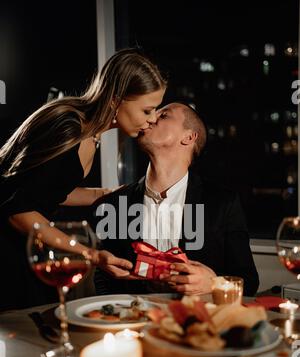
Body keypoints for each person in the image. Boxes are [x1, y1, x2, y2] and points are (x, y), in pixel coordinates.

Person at [0, 48, 166, 309]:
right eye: (147, 110)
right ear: (116, 99)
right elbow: (20, 210)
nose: (153, 119)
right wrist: (90, 254)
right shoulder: (68, 128)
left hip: (24, 248)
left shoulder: (89, 131)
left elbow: (52, 190)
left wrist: (108, 193)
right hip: (8, 255)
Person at [93, 102, 259, 296]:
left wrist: (215, 283)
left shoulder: (223, 203)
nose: (152, 118)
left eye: (164, 115)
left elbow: (249, 283)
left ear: (188, 137)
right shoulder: (114, 204)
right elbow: (103, 278)